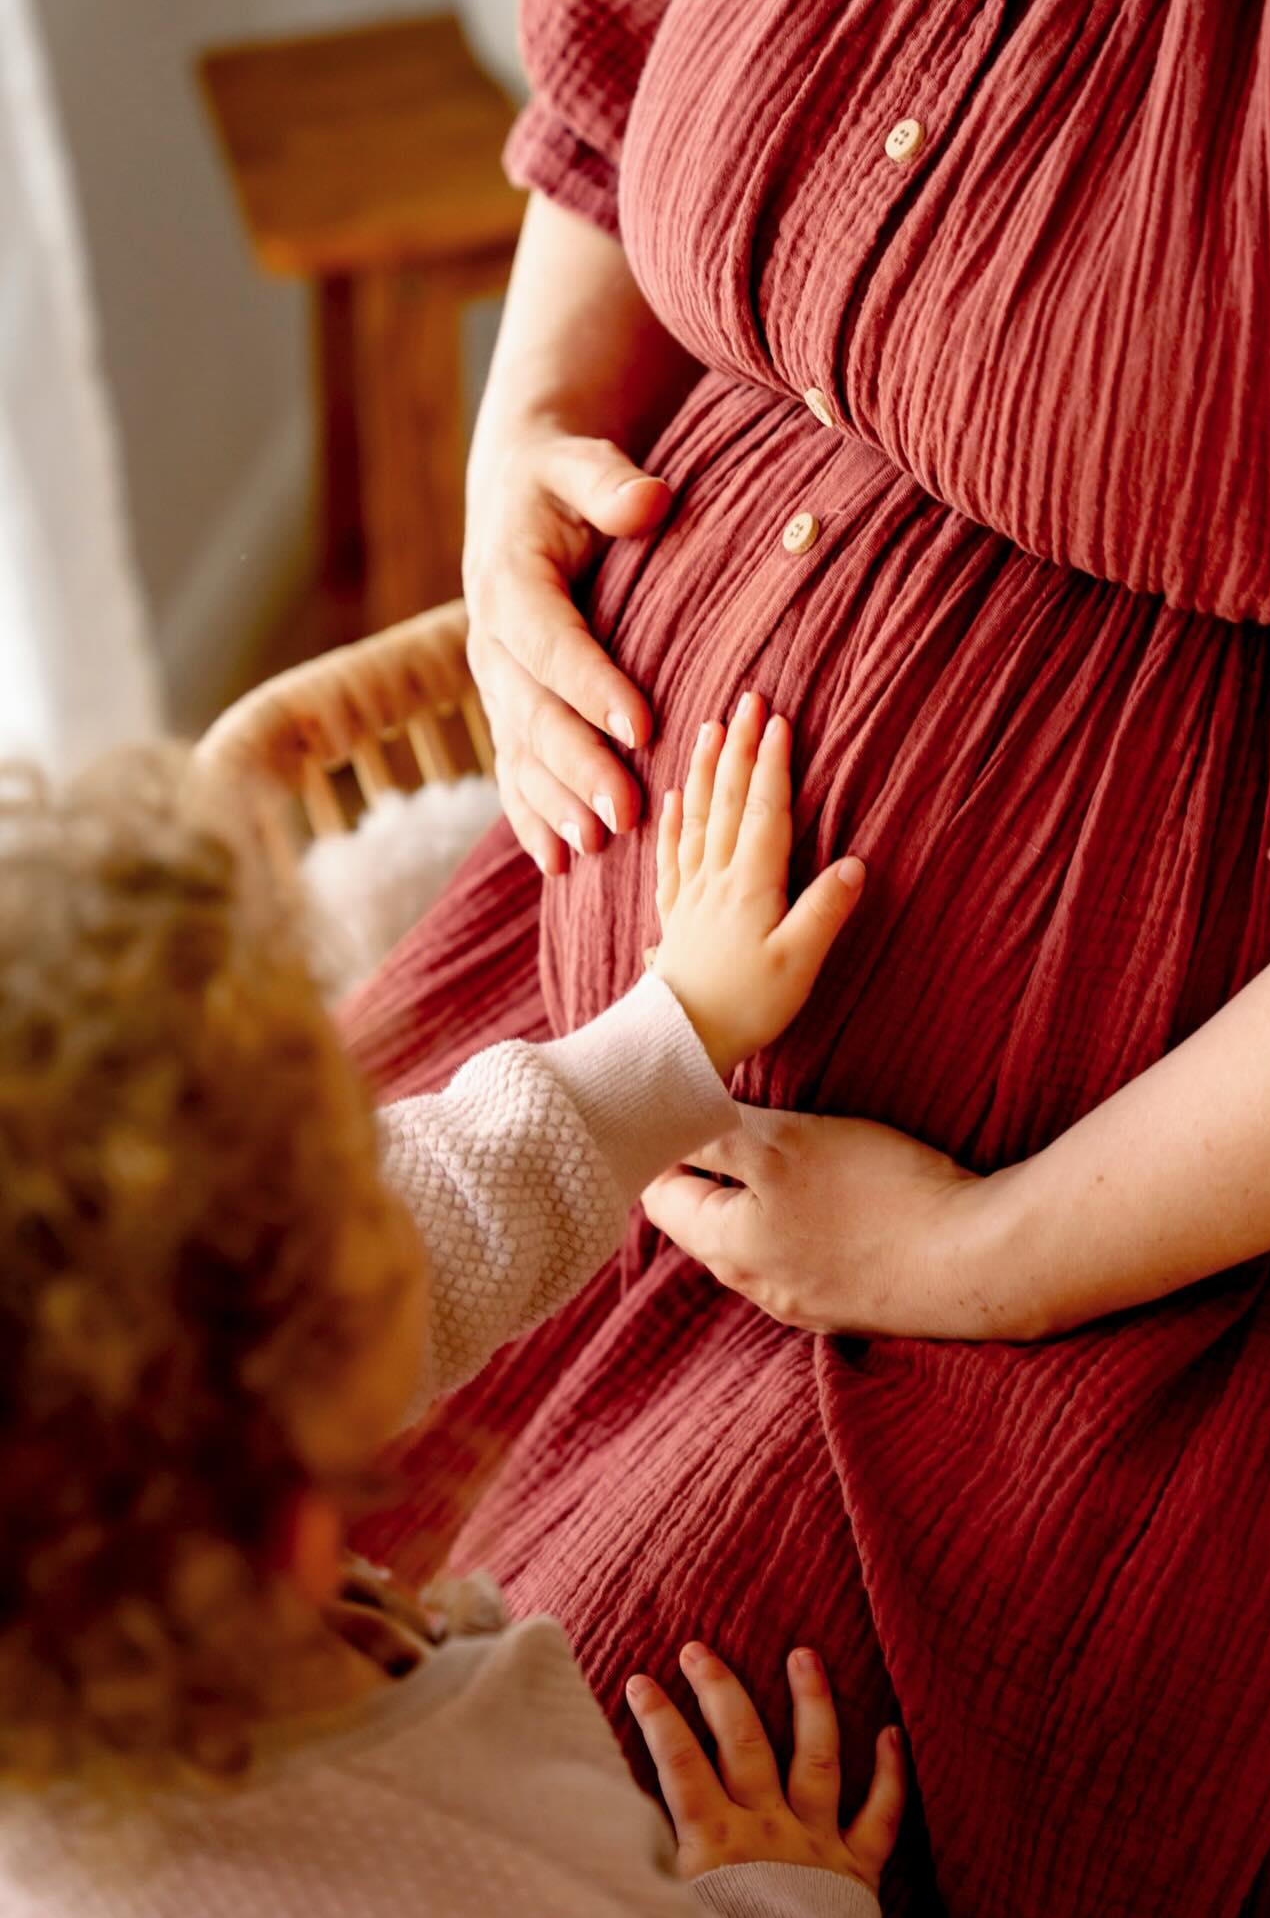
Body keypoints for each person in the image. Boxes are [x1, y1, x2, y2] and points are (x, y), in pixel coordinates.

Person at [342, 1, 1270, 1911]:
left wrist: (981, 1260)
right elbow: (608, 111)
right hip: (565, 1046)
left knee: (548, 1834)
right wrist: (524, 446)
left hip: (1112, 1266)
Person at [0, 710, 909, 1916]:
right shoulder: (440, 1871)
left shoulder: (117, 1566)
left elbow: (452, 1200)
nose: (395, 1158)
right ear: (295, 1388)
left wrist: (670, 1028)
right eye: (347, 1163)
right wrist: (792, 1892)